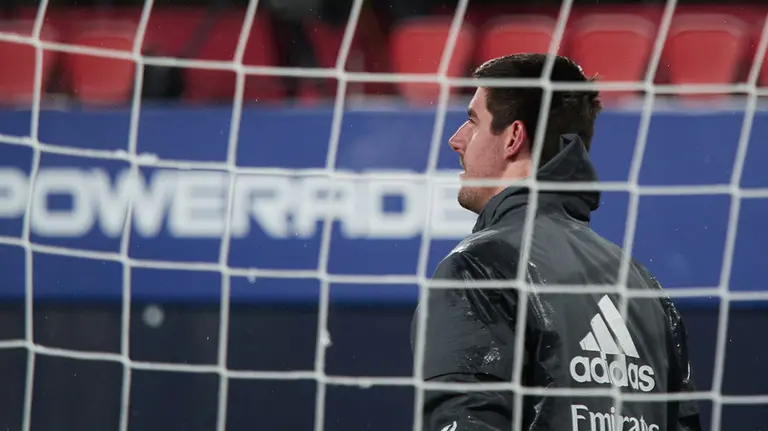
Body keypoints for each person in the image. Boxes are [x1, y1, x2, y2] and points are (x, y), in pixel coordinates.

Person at [413, 54, 702, 431]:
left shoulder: (481, 266)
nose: (456, 140)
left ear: (513, 137)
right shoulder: (645, 287)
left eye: (472, 121)